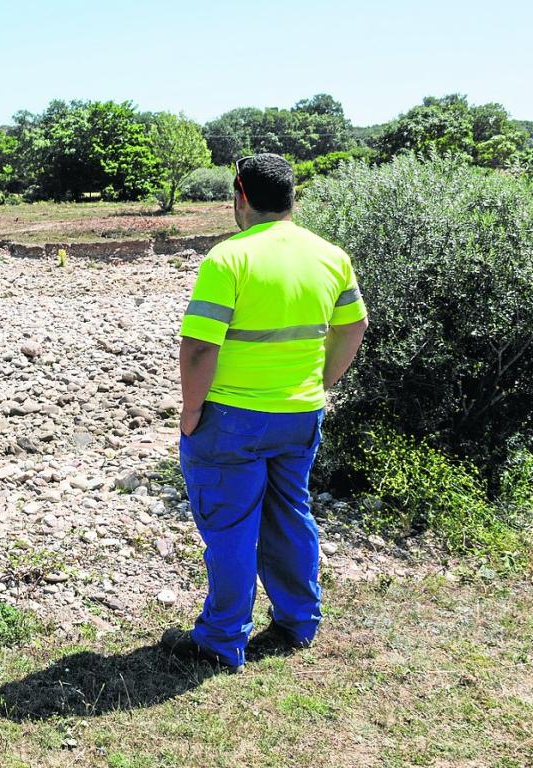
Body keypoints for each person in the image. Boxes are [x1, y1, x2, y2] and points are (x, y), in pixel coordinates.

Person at [159, 153, 368, 672]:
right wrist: (319, 383)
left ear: (241, 195)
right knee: (290, 515)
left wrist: (190, 412)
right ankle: (299, 621)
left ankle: (221, 641)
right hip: (300, 414)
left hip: (231, 419)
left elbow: (199, 348)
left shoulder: (227, 259)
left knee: (231, 529)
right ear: (291, 195)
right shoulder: (330, 255)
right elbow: (355, 327)